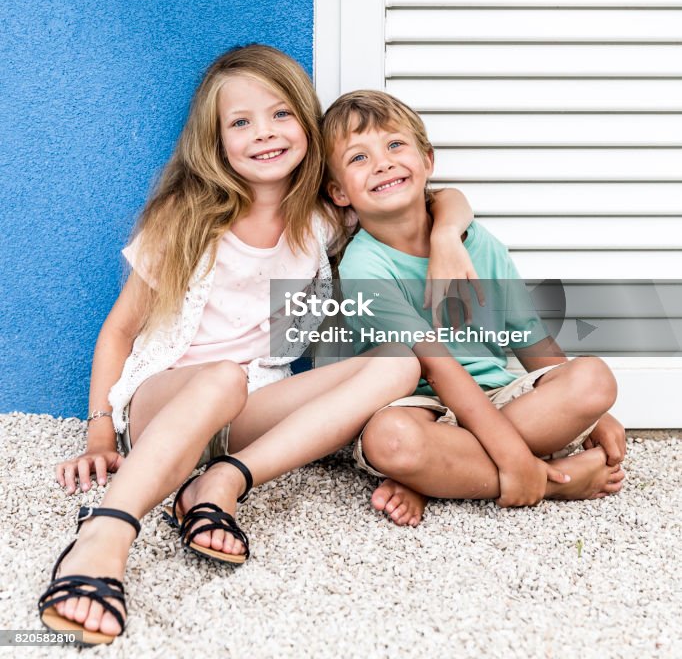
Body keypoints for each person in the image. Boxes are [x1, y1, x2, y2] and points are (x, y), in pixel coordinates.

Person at [39, 45, 476, 646]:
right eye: (240, 122)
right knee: (220, 375)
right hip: (164, 401)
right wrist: (98, 428)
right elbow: (118, 330)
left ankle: (222, 480)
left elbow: (439, 197)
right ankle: (106, 534)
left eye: (280, 115)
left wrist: (448, 235)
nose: (263, 133)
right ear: (216, 144)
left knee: (398, 362)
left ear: (305, 120)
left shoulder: (322, 218)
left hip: (249, 407)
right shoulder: (184, 219)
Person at [322, 90, 627, 528]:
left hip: (501, 401)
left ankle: (440, 475)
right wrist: (516, 462)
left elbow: (527, 335)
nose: (383, 163)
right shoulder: (363, 267)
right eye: (358, 158)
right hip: (417, 404)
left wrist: (595, 416)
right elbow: (437, 370)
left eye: (394, 145)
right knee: (391, 442)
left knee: (594, 380)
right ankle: (551, 479)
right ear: (338, 193)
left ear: (428, 161)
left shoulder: (477, 242)